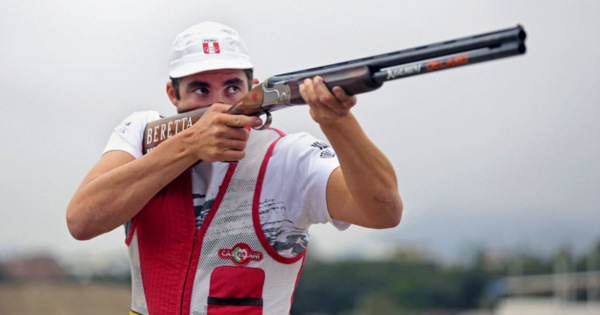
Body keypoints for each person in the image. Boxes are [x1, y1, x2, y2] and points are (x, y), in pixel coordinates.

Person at [66, 21, 402, 315]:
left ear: (252, 90)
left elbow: (383, 212)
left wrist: (339, 123)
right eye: (201, 90)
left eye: (232, 88)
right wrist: (188, 146)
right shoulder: (142, 134)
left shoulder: (289, 157)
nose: (219, 105)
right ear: (172, 94)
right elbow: (82, 220)